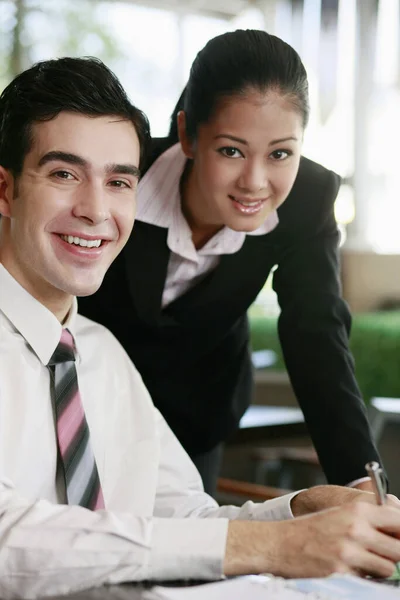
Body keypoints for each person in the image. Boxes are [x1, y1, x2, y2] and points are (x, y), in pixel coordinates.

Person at [1, 54, 400, 599]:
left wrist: (297, 512)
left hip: (193, 393)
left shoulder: (101, 355)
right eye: (64, 174)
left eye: (119, 182)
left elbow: (180, 512)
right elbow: (10, 541)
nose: (96, 209)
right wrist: (269, 548)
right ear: (5, 190)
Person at [78, 28, 383, 497]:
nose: (255, 182)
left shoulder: (307, 200)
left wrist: (361, 481)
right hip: (85, 399)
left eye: (281, 153)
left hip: (198, 409)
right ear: (187, 135)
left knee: (189, 552)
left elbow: (316, 332)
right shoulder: (122, 180)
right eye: (231, 150)